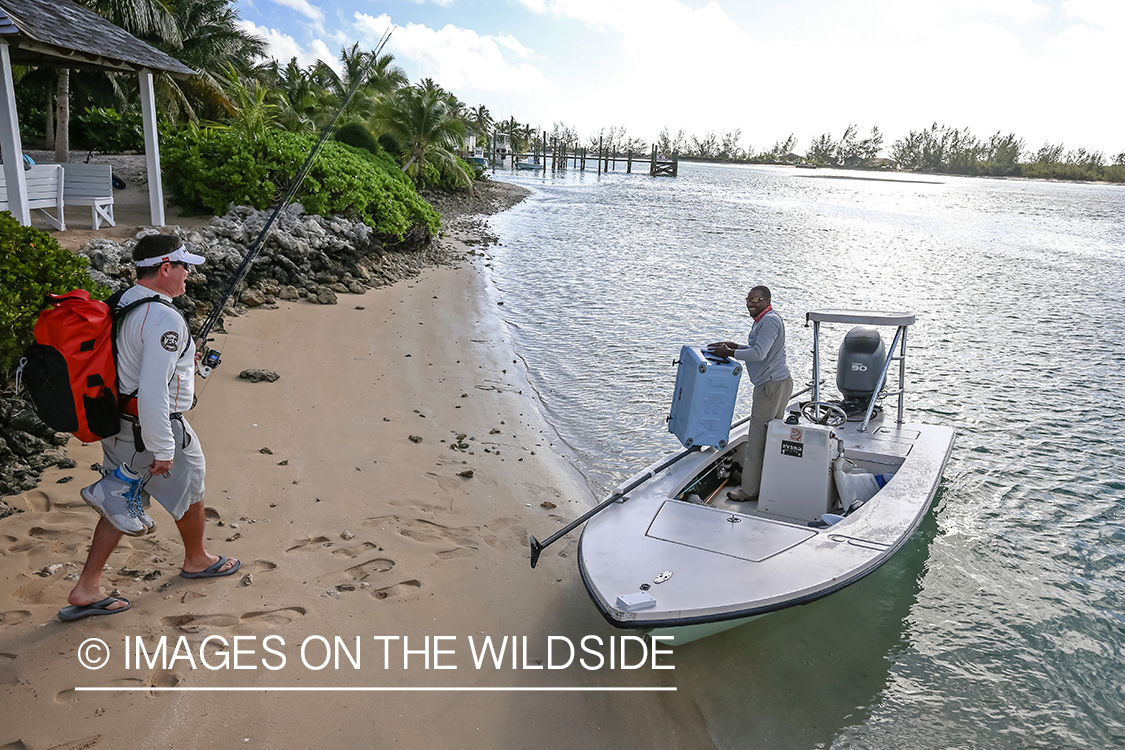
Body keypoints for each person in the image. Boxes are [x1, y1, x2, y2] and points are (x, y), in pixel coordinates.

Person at [59, 234, 240, 621]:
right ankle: (197, 559)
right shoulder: (164, 317)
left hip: (118, 424)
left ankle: (87, 587)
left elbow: (136, 364)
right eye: (184, 266)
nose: (188, 273)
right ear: (165, 268)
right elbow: (155, 390)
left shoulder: (126, 302)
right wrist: (163, 447)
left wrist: (183, 365)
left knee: (120, 497)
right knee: (190, 487)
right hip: (152, 428)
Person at [708, 286, 793, 502]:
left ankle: (748, 491)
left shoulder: (770, 321)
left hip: (770, 386)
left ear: (767, 301)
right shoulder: (766, 320)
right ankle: (764, 482)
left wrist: (729, 353)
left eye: (756, 299)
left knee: (757, 439)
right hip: (777, 383)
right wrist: (734, 346)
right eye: (748, 299)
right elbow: (759, 347)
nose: (750, 303)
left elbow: (759, 353)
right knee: (769, 437)